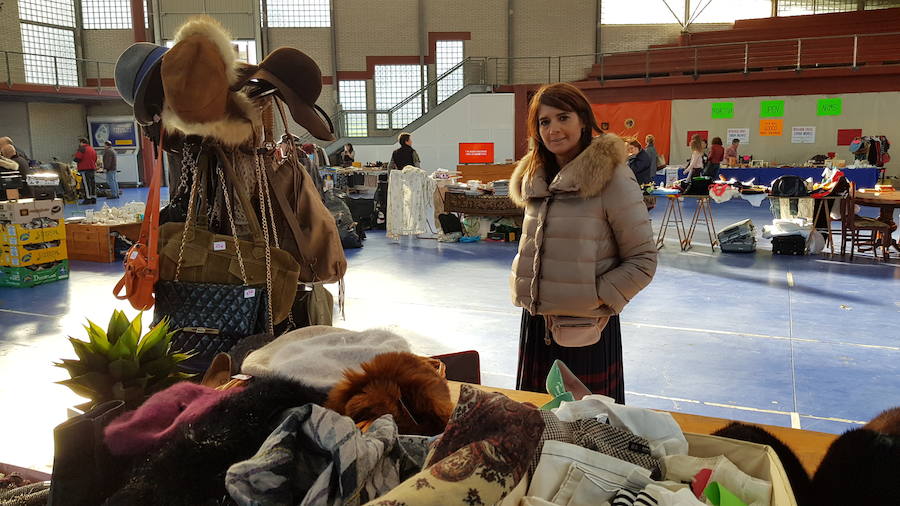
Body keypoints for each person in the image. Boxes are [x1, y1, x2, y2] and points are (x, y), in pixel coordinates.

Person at [509, 82, 657, 403]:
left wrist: (593, 297)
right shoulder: (537, 178)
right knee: (537, 421)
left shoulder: (612, 177)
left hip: (587, 329)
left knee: (588, 425)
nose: (553, 129)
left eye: (563, 117)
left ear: (583, 120)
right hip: (537, 326)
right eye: (544, 121)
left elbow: (643, 259)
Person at [74, 137, 98, 205]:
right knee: (92, 184)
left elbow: (77, 158)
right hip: (92, 169)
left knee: (86, 185)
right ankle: (93, 198)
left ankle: (87, 199)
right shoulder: (92, 149)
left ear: (82, 142)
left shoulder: (82, 149)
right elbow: (95, 158)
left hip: (84, 169)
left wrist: (75, 158)